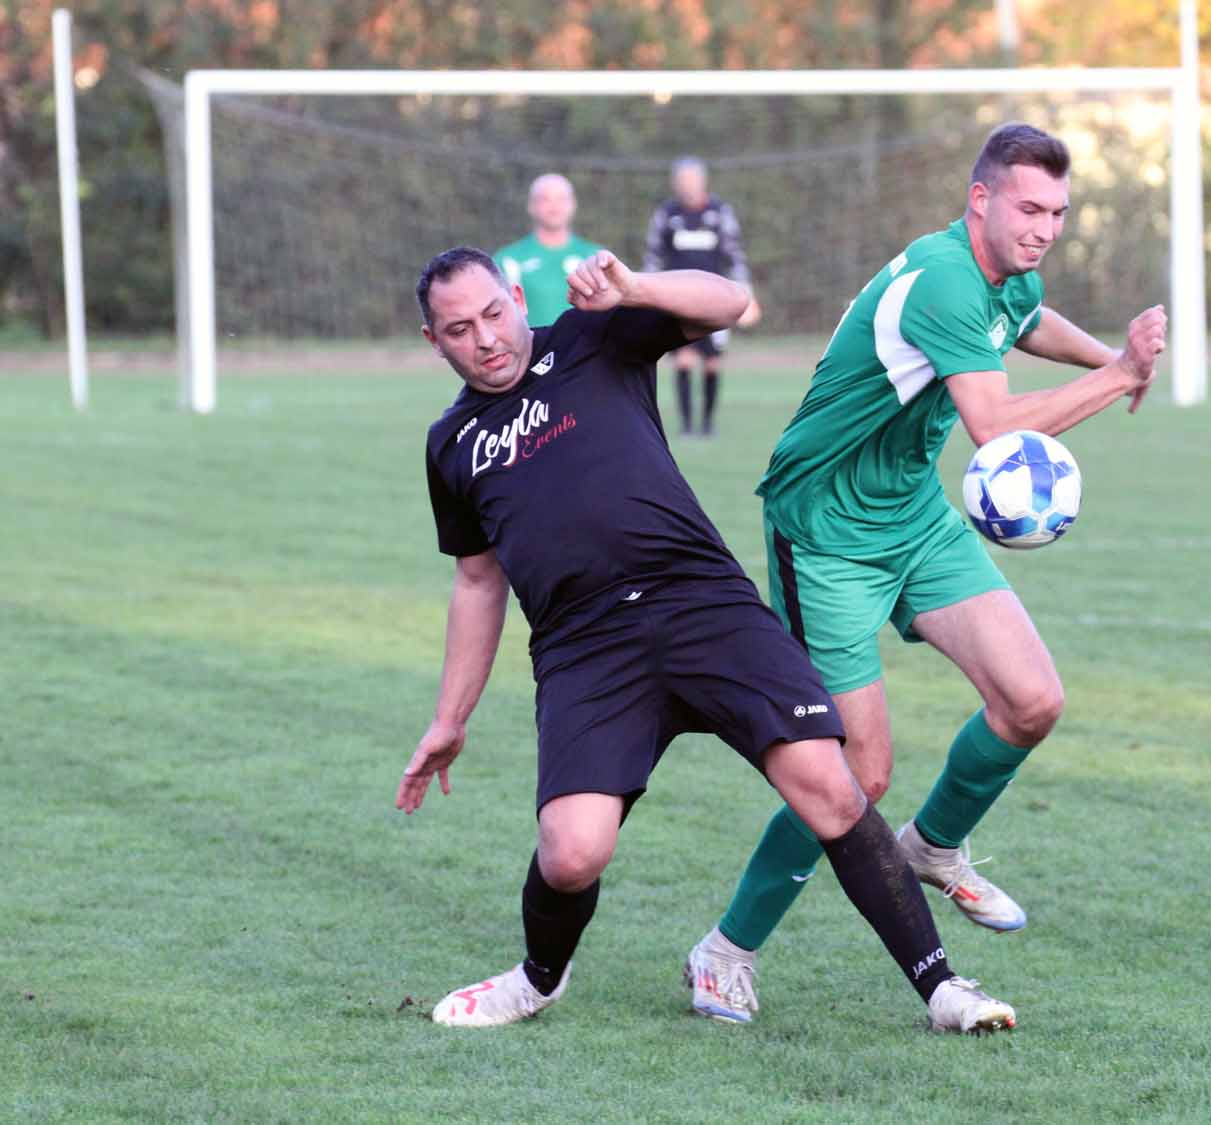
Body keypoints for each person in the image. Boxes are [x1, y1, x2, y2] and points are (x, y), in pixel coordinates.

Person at [396, 244, 1016, 1035]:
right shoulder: (450, 444)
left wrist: (635, 289)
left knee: (830, 784)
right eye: (459, 330)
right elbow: (479, 583)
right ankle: (537, 978)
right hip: (585, 645)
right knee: (572, 852)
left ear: (517, 297)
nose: (485, 338)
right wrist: (450, 719)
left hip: (700, 602)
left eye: (493, 313)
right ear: (434, 342)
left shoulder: (593, 335)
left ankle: (942, 988)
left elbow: (731, 301)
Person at [681, 123, 1168, 1023]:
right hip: (823, 531)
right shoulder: (945, 278)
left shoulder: (1005, 271)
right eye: (1029, 208)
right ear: (980, 199)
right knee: (854, 776)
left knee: (1031, 699)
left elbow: (1027, 321)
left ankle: (935, 846)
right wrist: (1126, 372)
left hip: (912, 515)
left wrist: (1104, 357)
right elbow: (997, 428)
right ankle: (724, 950)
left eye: (1057, 212)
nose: (1044, 229)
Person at [641, 157, 761, 437]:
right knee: (683, 360)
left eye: (692, 180)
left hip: (715, 300)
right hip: (678, 300)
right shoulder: (667, 214)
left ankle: (707, 424)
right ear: (675, 183)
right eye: (682, 181)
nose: (687, 186)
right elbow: (653, 257)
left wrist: (747, 294)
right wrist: (647, 293)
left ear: (703, 181)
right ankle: (686, 426)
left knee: (711, 363)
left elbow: (735, 255)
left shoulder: (720, 213)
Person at [493, 173, 602, 325]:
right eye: (545, 199)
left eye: (561, 199)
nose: (554, 206)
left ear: (573, 204)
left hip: (584, 347)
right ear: (531, 206)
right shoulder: (507, 260)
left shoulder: (596, 257)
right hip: (532, 348)